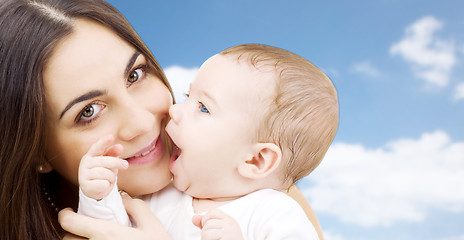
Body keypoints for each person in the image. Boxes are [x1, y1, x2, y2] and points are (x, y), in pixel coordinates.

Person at [0, 0, 324, 239]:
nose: (142, 123)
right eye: (88, 111)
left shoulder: (261, 195)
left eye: (135, 74)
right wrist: (97, 196)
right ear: (35, 150)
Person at [78, 43, 339, 239]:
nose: (175, 110)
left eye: (203, 108)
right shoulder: (159, 197)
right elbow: (107, 233)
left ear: (255, 160)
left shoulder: (275, 214)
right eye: (187, 96)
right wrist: (99, 196)